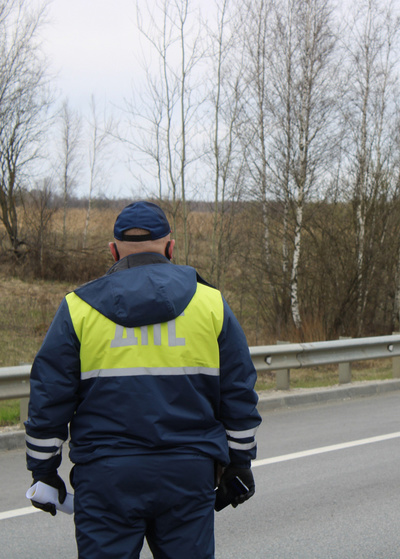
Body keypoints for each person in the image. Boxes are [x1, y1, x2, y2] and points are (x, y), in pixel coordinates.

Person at [24, 201, 261, 558]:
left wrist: (43, 470)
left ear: (113, 249)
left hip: (106, 478)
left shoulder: (78, 308)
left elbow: (49, 396)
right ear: (170, 246)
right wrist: (239, 463)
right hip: (188, 473)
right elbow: (238, 389)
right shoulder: (210, 303)